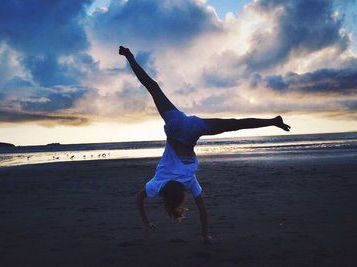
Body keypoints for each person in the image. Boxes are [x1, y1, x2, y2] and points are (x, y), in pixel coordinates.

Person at [118, 46, 290, 244]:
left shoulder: (188, 181)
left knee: (234, 125)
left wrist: (204, 235)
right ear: (164, 193)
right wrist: (145, 221)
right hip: (178, 125)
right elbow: (139, 200)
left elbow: (202, 208)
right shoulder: (157, 185)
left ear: (182, 193)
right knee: (154, 88)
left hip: (190, 130)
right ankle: (129, 57)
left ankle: (272, 121)